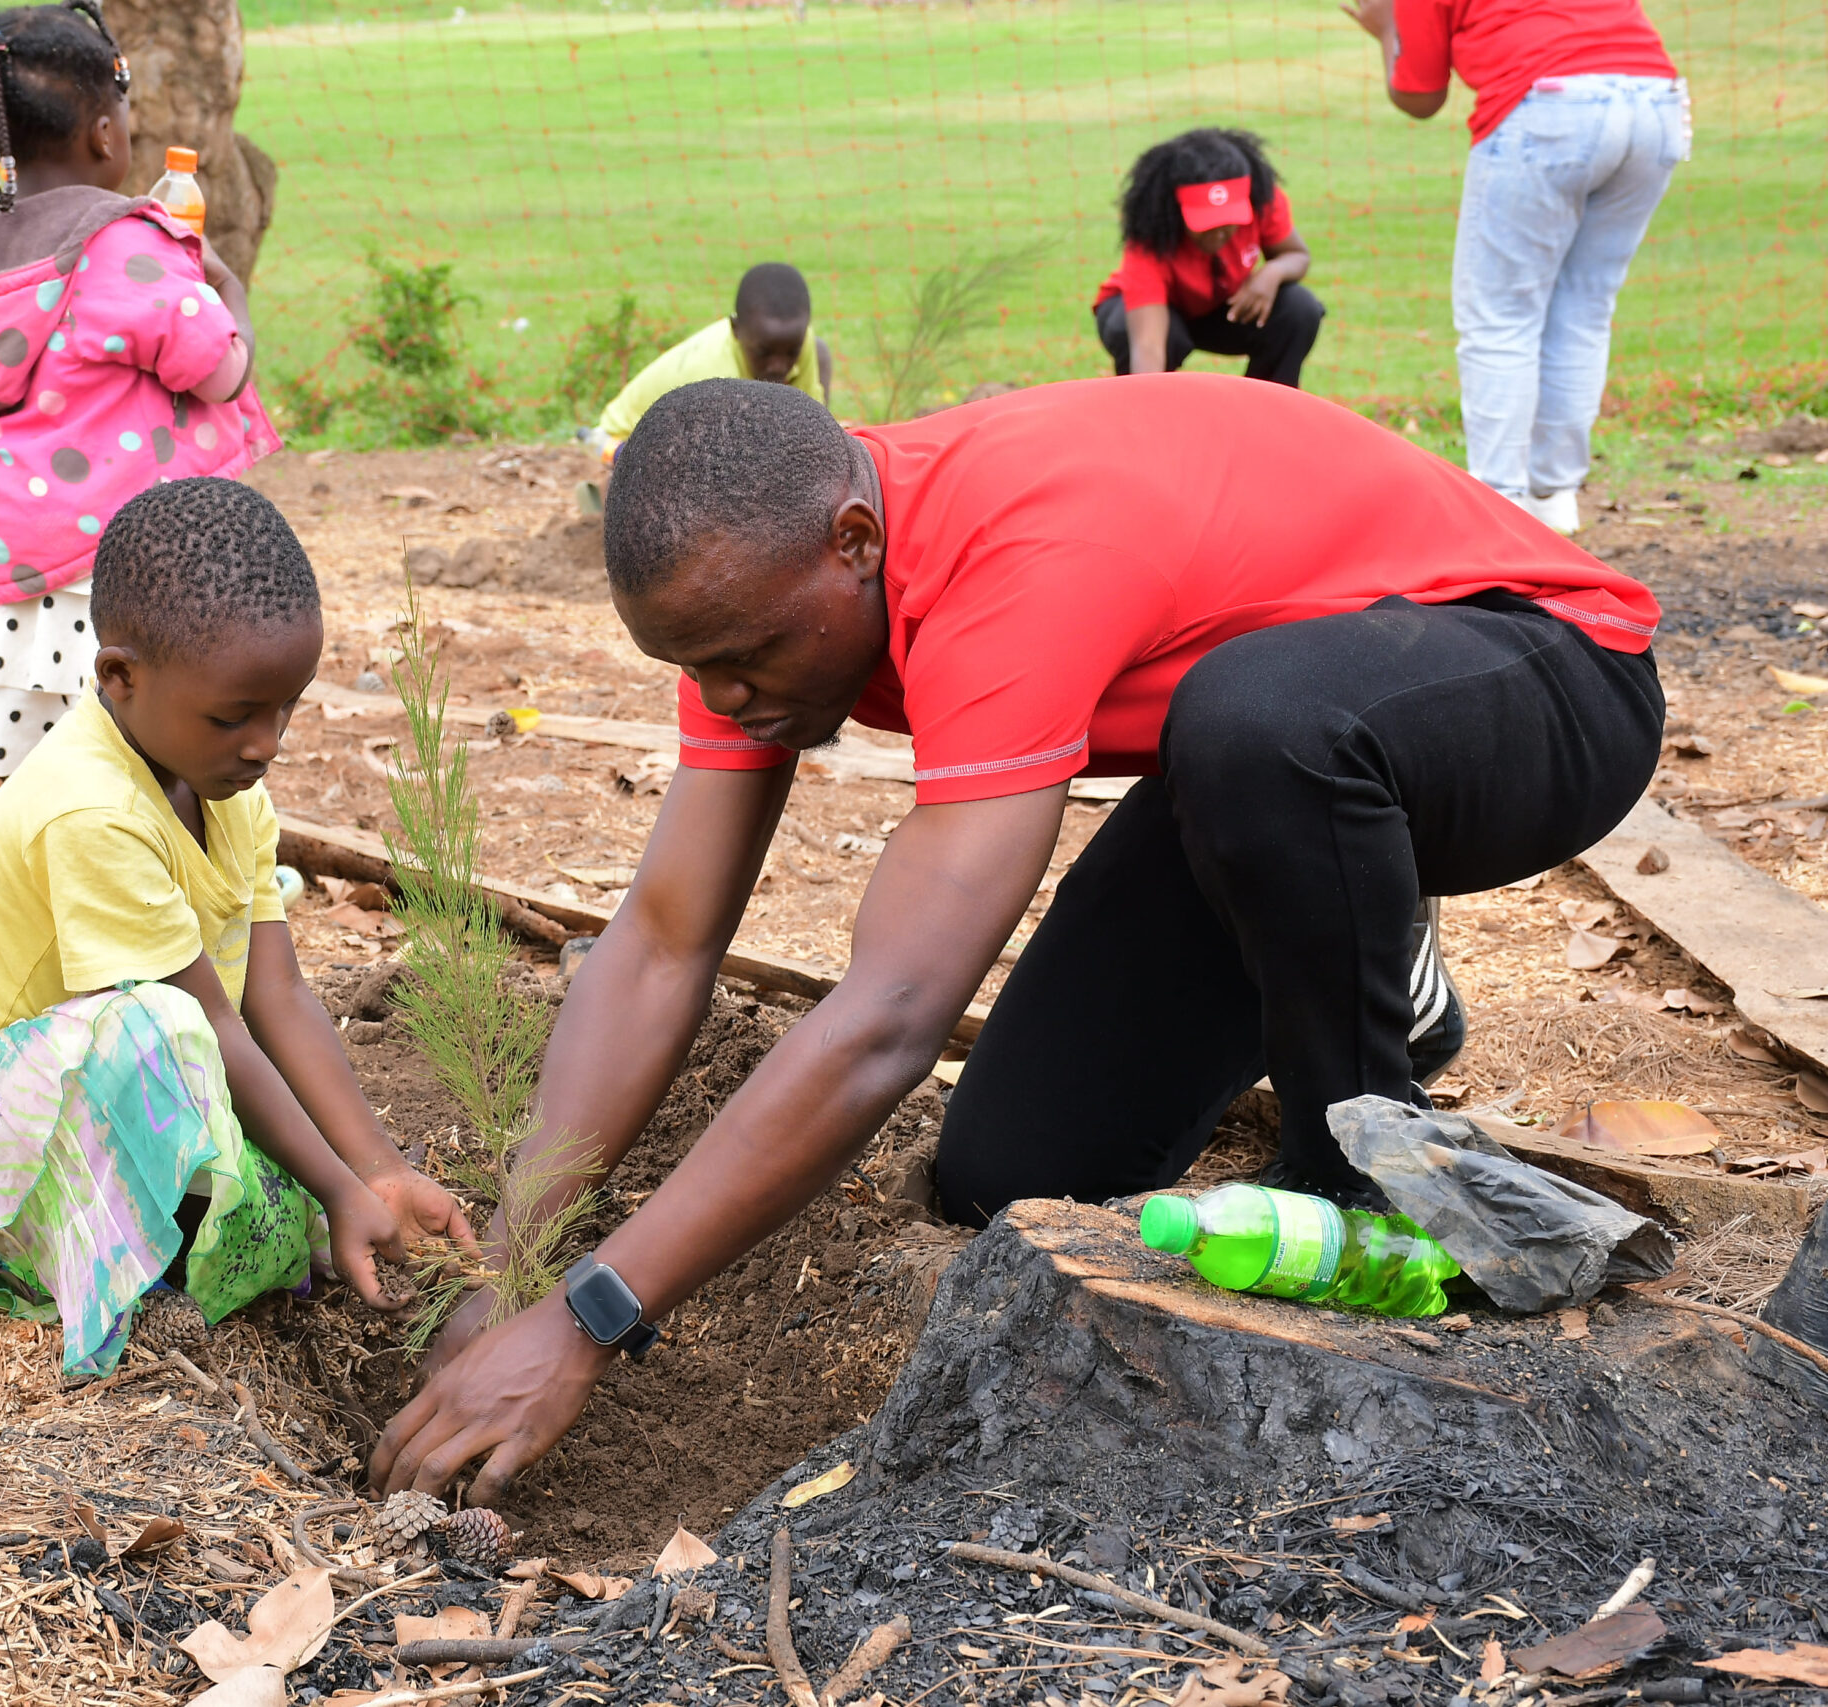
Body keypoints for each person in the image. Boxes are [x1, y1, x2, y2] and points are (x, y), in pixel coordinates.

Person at [372, 376, 1662, 1501]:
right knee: (1014, 1174)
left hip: (1535, 675)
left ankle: (1356, 1156)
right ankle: (1376, 963)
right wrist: (517, 1256)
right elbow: (660, 942)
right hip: (1266, 761)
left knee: (1255, 723)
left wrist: (590, 1321)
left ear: (855, 543)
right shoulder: (751, 585)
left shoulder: (1014, 556)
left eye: (747, 658)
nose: (725, 697)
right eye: (693, 666)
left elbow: (890, 1012)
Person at [0, 478, 475, 1374]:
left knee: (262, 1146)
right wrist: (337, 1189)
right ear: (118, 676)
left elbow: (278, 996)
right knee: (166, 1032)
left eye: (286, 708)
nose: (267, 742)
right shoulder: (92, 808)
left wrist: (374, 1170)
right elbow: (210, 1029)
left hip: (21, 1122)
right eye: (235, 716)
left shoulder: (228, 790)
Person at [0, 1, 275, 801]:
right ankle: (165, 903)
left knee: (7, 784)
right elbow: (217, 370)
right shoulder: (125, 244)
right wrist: (227, 290)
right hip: (123, 570)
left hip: (6, 575)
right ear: (107, 136)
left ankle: (5, 910)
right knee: (153, 773)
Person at [1345, 0, 1687, 536]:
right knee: (1584, 310)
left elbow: (1419, 96)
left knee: (1499, 319)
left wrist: (1385, 28)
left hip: (1550, 107)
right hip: (1656, 99)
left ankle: (1498, 509)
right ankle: (1554, 498)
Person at [1092, 127, 1321, 388]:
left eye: (1229, 221)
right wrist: (1148, 404)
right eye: (1205, 223)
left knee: (1299, 308)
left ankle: (1267, 414)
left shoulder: (1263, 200)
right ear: (1177, 210)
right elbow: (1149, 345)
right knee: (1137, 334)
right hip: (1153, 316)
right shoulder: (1151, 235)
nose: (1219, 234)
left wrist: (1271, 274)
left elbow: (1296, 255)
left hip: (1224, 307)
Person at [587, 263, 832, 458]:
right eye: (763, 353)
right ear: (735, 329)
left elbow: (810, 425)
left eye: (792, 352)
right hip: (625, 443)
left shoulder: (801, 341)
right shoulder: (716, 379)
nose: (779, 366)